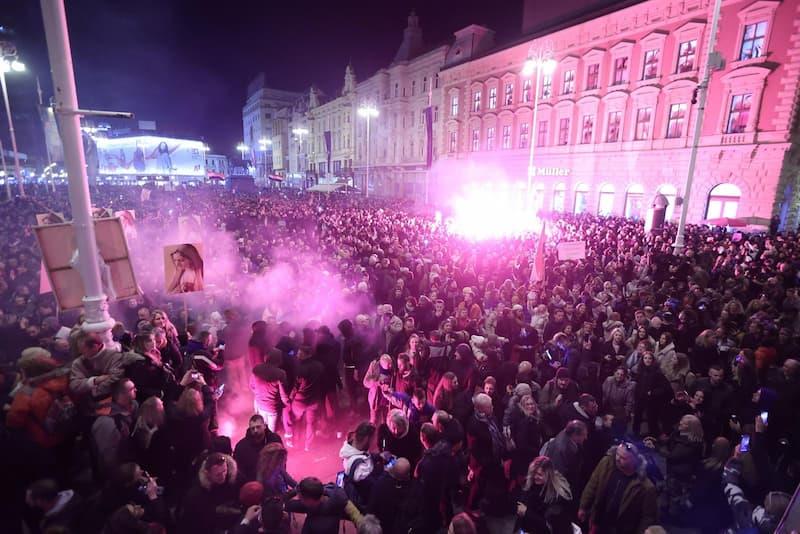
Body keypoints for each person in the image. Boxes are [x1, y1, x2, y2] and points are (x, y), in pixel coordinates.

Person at [579, 443, 659, 534]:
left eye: (623, 458)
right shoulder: (606, 464)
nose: (617, 459)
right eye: (617, 454)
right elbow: (593, 484)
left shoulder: (645, 487)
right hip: (598, 521)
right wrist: (583, 506)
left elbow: (647, 517)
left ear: (634, 460)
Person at [177, 452, 241, 534]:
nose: (223, 476)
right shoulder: (196, 495)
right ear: (208, 474)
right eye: (218, 475)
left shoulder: (234, 477)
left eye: (224, 471)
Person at [465, 393, 507, 513]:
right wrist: (485, 463)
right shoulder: (473, 424)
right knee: (478, 486)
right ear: (481, 409)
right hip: (482, 463)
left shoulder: (491, 417)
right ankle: (472, 508)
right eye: (490, 406)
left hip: (493, 459)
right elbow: (474, 449)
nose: (492, 407)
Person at [91, 378, 139, 480]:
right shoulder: (106, 422)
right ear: (121, 395)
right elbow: (108, 456)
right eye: (132, 389)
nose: (136, 390)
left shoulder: (134, 405)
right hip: (116, 469)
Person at [515, 456, 573, 534]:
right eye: (534, 473)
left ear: (548, 474)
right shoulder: (530, 484)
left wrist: (526, 512)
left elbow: (549, 526)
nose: (535, 477)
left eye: (539, 474)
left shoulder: (556, 496)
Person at [285, 477, 364, 533]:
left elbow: (288, 504)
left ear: (309, 500)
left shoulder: (320, 525)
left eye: (301, 498)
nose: (300, 500)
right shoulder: (332, 497)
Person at [284, 345, 324, 450]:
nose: (297, 355)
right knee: (310, 423)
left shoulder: (301, 369)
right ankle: (308, 446)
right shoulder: (319, 365)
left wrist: (290, 398)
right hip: (314, 399)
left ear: (307, 355)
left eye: (300, 353)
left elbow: (296, 386)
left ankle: (296, 442)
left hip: (300, 401)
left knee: (296, 420)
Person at [366, 457, 414, 534]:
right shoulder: (410, 490)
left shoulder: (379, 484)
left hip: (380, 527)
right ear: (407, 475)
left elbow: (371, 508)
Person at [250, 349, 290, 432]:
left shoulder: (256, 369)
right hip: (272, 407)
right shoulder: (280, 374)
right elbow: (283, 394)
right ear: (278, 360)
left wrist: (260, 395)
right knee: (271, 432)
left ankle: (261, 443)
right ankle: (268, 444)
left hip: (260, 404)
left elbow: (251, 386)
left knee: (261, 428)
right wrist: (287, 403)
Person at [234, 414, 282, 483]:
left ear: (264, 426)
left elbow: (281, 458)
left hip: (274, 481)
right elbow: (238, 470)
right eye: (253, 428)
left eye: (258, 427)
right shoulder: (241, 447)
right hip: (253, 484)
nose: (255, 430)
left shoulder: (275, 439)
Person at [545, 419, 588, 495]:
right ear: (575, 435)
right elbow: (558, 474)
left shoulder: (568, 438)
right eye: (583, 435)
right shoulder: (560, 449)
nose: (585, 437)